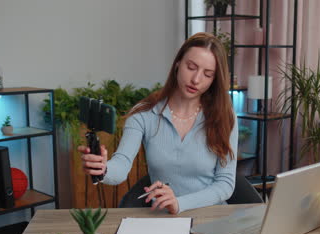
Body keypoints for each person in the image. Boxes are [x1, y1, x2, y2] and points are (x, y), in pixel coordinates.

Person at [78, 32, 238, 214]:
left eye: (208, 75)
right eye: (191, 67)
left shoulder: (225, 116)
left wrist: (179, 203)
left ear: (214, 79)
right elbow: (122, 165)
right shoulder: (144, 113)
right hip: (162, 219)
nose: (196, 79)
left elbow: (225, 184)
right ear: (178, 63)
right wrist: (103, 168)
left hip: (210, 217)